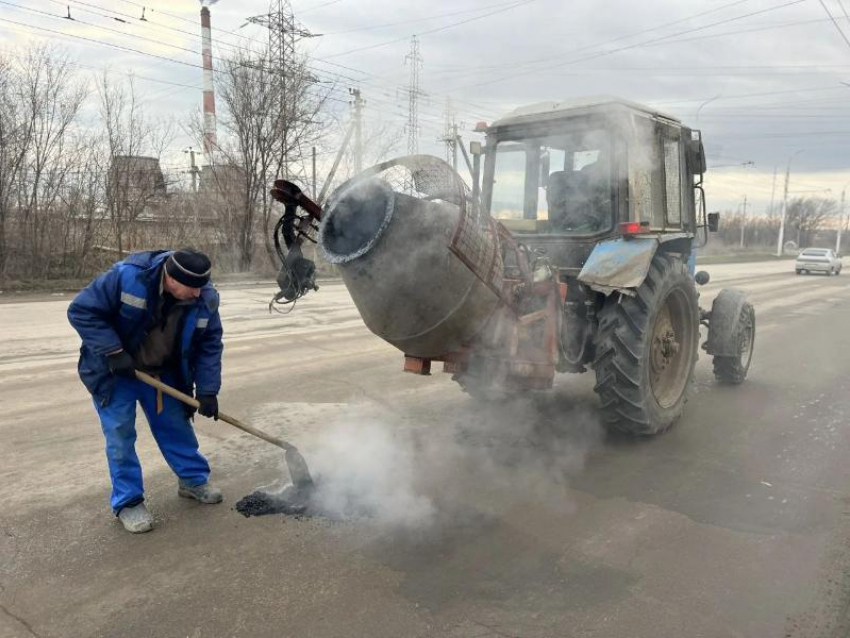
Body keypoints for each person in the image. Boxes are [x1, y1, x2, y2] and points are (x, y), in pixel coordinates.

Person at [68, 249, 224, 534]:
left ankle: (192, 481)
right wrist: (113, 351)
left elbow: (209, 344)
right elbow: (81, 310)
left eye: (202, 286)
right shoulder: (128, 278)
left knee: (176, 427)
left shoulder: (205, 298)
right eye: (192, 287)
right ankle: (128, 502)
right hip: (116, 372)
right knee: (120, 435)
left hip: (162, 373)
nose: (198, 294)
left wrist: (208, 390)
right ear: (171, 278)